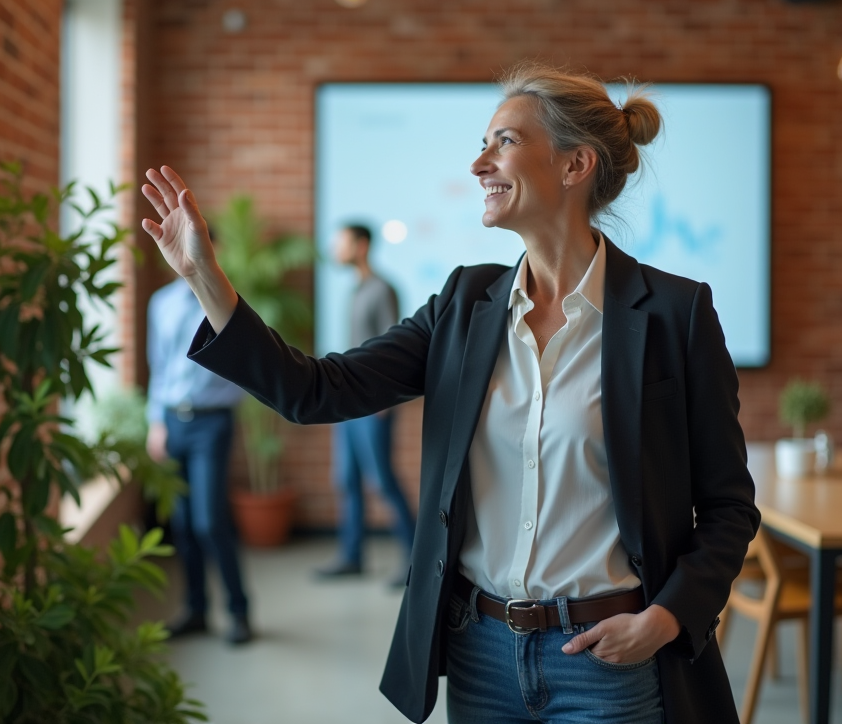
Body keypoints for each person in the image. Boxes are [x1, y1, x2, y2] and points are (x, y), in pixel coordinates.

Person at [140, 62, 759, 723]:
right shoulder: (464, 305)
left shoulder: (674, 314)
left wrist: (666, 619)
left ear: (576, 165)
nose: (478, 164)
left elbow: (727, 507)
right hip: (480, 655)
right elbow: (313, 391)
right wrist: (206, 280)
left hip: (608, 662)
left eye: (504, 143)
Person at [146, 263, 252, 646]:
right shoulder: (160, 303)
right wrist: (155, 422)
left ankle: (239, 611)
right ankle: (196, 611)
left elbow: (245, 361)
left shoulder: (227, 301)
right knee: (184, 524)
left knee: (210, 521)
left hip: (213, 422)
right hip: (174, 422)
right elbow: (158, 366)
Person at [315, 223, 417, 583]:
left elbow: (392, 349)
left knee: (382, 479)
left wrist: (383, 402)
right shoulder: (356, 289)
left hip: (373, 405)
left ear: (360, 245)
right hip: (349, 402)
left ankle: (414, 559)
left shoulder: (381, 289)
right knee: (348, 478)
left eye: (339, 241)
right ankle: (351, 555)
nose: (334, 248)